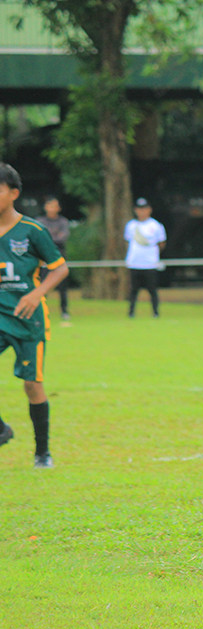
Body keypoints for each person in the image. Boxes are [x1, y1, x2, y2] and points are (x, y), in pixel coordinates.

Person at [0, 163, 69, 469]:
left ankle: (43, 452)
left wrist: (35, 293)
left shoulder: (32, 230)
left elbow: (60, 268)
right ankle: (2, 429)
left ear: (13, 193)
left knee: (32, 384)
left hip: (28, 317)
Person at [124, 197, 167, 318]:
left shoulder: (156, 225)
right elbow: (127, 241)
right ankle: (131, 313)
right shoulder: (131, 225)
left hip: (150, 263)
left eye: (144, 209)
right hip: (134, 263)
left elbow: (161, 243)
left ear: (149, 210)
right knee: (133, 290)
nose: (142, 212)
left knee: (152, 290)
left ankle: (155, 313)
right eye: (139, 209)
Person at [38, 195, 71, 320]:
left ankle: (64, 311)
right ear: (46, 207)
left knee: (63, 287)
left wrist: (50, 238)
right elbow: (40, 238)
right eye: (50, 205)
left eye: (55, 206)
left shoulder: (63, 222)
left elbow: (62, 238)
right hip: (44, 258)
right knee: (42, 285)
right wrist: (53, 238)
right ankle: (41, 310)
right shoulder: (40, 221)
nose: (52, 208)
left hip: (59, 258)